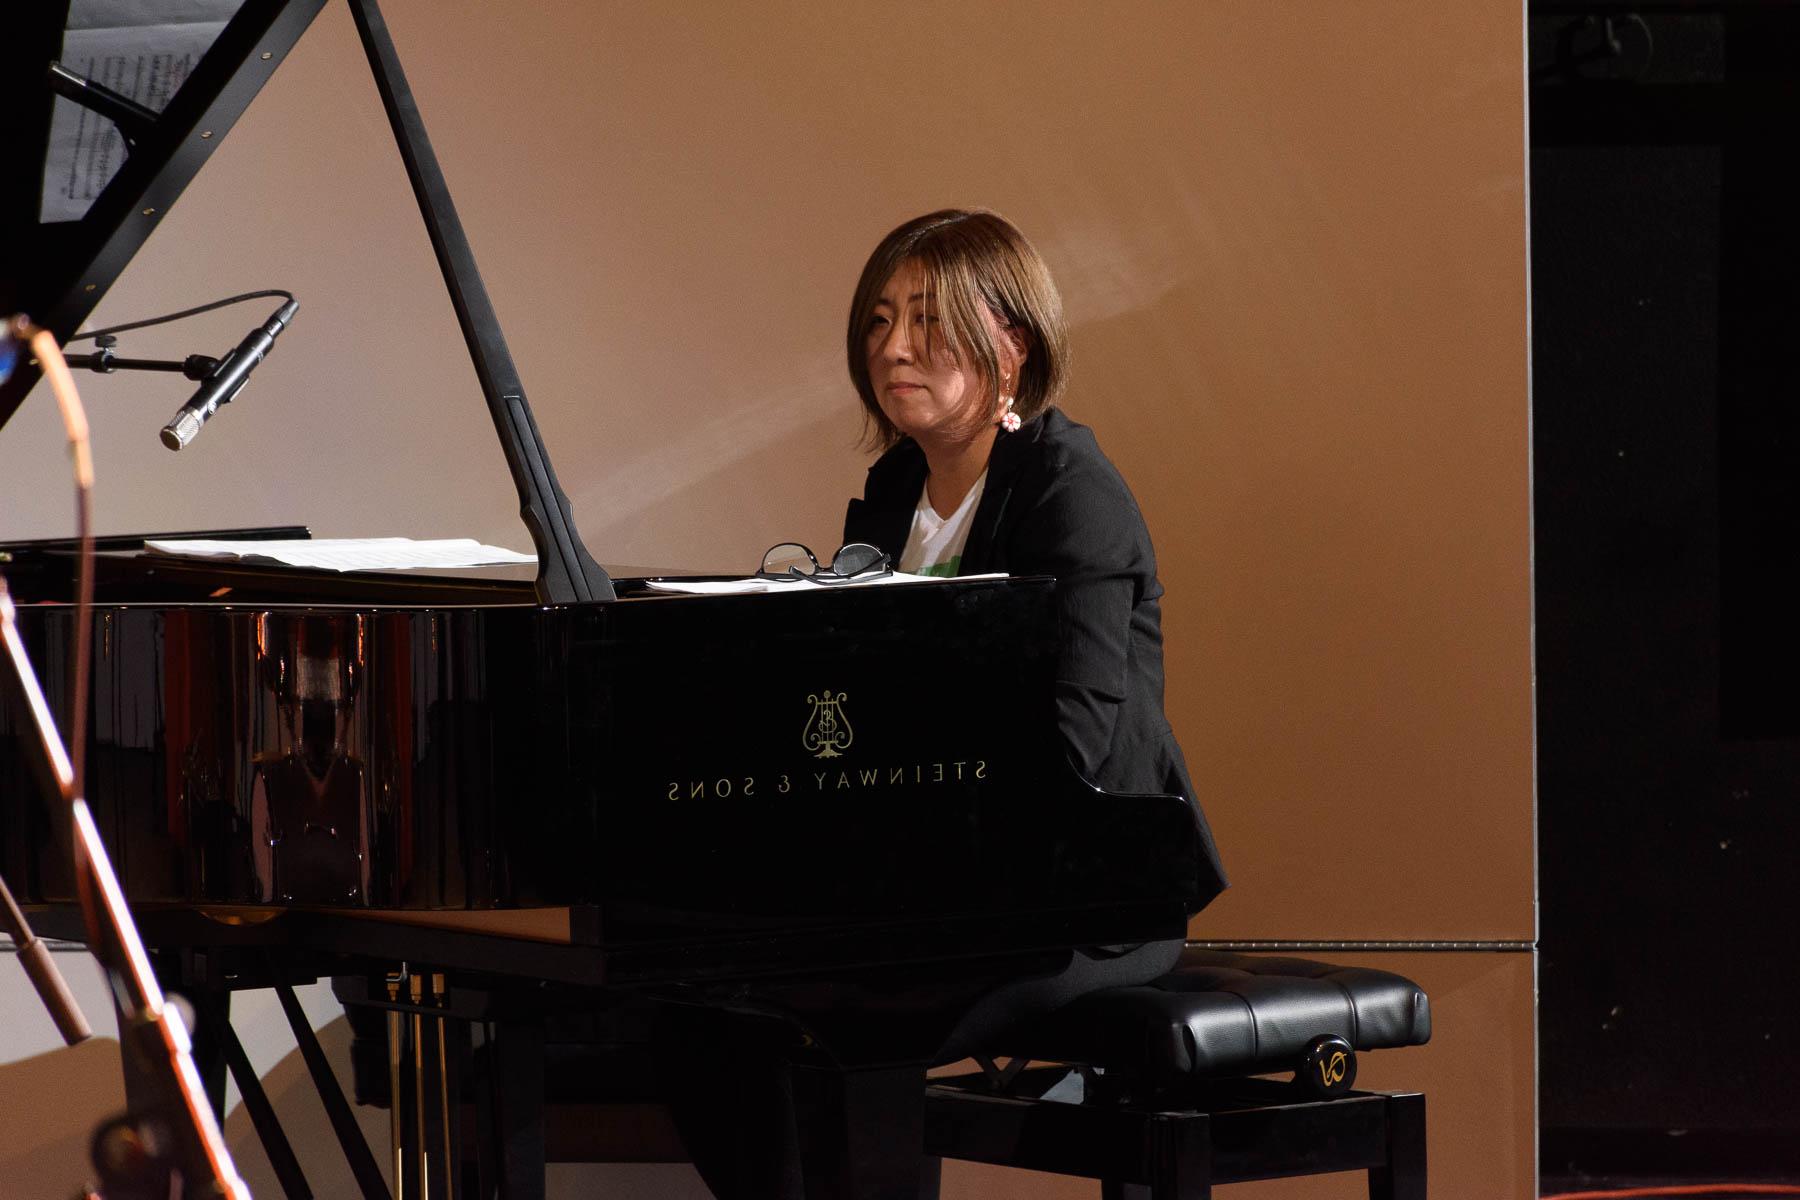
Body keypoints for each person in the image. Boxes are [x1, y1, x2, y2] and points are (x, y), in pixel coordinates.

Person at [842, 208, 1226, 910]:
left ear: (1012, 346)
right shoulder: (890, 491)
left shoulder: (1069, 491)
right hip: (939, 863)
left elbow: (1072, 740)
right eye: (879, 320)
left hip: (1081, 882)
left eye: (928, 320)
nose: (893, 347)